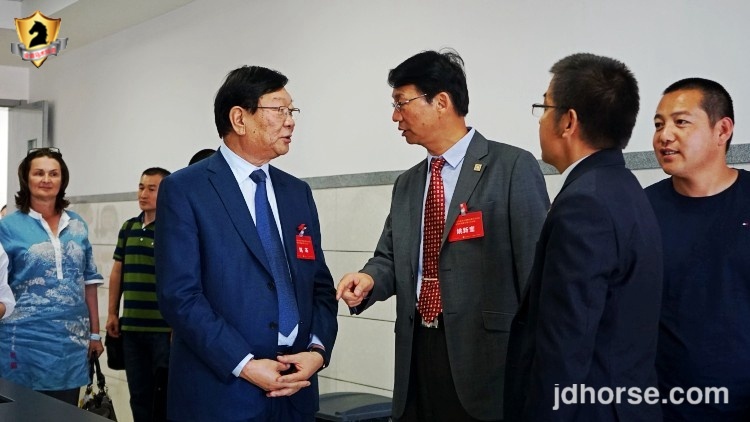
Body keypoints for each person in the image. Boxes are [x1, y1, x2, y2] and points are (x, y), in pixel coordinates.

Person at [336, 49, 550, 421]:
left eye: (401, 103)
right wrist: (369, 279)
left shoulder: (511, 167)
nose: (395, 116)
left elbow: (537, 276)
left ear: (441, 102)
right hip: (418, 354)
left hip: (488, 364)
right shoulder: (408, 184)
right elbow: (390, 257)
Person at [155, 66, 338, 422]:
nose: (290, 121)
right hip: (220, 395)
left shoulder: (297, 192)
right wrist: (245, 364)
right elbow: (180, 296)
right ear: (239, 118)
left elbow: (319, 285)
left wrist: (317, 351)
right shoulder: (186, 190)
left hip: (295, 393)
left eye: (292, 111)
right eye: (279, 110)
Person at [504, 53, 663, 421]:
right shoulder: (623, 187)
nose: (540, 119)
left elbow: (564, 346)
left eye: (544, 107)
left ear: (568, 121)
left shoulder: (584, 205)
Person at [646, 78, 750, 421]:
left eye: (681, 122)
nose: (665, 135)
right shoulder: (639, 211)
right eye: (658, 124)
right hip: (664, 404)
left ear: (722, 130)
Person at [0, 147, 104, 406]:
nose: (46, 179)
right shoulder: (7, 227)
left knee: (64, 413)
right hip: (20, 344)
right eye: (39, 173)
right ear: (26, 179)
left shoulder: (77, 225)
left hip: (69, 346)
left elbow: (89, 282)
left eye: (53, 173)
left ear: (62, 179)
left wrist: (95, 333)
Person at [105, 167, 171, 422]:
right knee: (138, 394)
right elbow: (117, 273)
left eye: (152, 189)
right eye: (141, 187)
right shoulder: (128, 227)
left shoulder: (172, 229)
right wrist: (112, 313)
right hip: (131, 329)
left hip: (163, 330)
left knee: (163, 395)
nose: (144, 194)